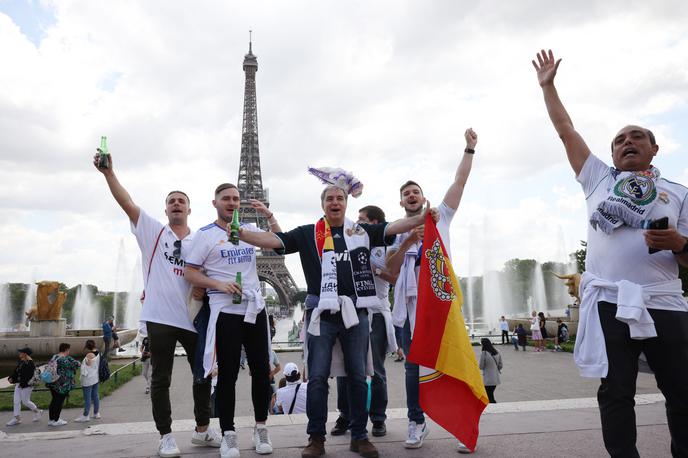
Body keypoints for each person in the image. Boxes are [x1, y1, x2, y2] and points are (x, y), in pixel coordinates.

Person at [534, 48, 688, 457]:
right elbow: (566, 130)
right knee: (616, 392)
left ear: (654, 148)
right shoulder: (598, 180)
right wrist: (549, 87)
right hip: (610, 303)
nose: (627, 142)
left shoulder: (679, 194)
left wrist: (679, 244)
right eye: (619, 139)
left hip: (666, 302)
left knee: (683, 391)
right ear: (613, 153)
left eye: (636, 136)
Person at [238, 169, 431, 458]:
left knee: (357, 376)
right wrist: (238, 232)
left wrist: (423, 218)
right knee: (316, 378)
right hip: (321, 311)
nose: (335, 202)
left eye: (340, 197)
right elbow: (274, 242)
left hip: (355, 311)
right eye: (330, 198)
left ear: (346, 203)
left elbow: (394, 227)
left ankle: (359, 435)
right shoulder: (307, 234)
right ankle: (316, 438)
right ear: (323, 204)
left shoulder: (362, 232)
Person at [94, 152, 219, 457]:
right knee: (161, 379)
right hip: (160, 317)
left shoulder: (201, 239)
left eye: (181, 201)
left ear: (189, 209)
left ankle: (202, 429)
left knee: (203, 374)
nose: (176, 204)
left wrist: (202, 289)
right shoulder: (153, 232)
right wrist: (109, 174)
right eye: (171, 201)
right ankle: (165, 435)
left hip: (192, 317)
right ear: (166, 209)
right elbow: (127, 203)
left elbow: (214, 274)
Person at [386, 128, 477, 453]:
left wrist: (468, 150)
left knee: (455, 361)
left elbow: (459, 183)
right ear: (401, 201)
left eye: (415, 192)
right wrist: (409, 240)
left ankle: (462, 425)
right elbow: (391, 272)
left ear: (423, 197)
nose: (411, 195)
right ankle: (417, 421)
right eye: (406, 193)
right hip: (412, 305)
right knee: (413, 366)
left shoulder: (441, 217)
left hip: (440, 301)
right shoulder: (396, 233)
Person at [185, 182, 280, 458]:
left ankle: (260, 427)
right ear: (215, 203)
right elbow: (190, 273)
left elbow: (280, 242)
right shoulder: (205, 235)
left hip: (254, 308)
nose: (232, 202)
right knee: (226, 376)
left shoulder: (249, 231)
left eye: (236, 199)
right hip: (225, 310)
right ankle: (228, 433)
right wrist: (218, 284)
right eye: (226, 198)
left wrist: (270, 216)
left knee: (262, 372)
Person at [332, 205, 398, 439]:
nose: (357, 224)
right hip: (352, 311)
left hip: (376, 313)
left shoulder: (386, 248)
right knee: (344, 369)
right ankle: (346, 414)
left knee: (377, 370)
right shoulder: (350, 245)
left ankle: (378, 418)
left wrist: (375, 270)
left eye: (362, 221)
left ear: (376, 223)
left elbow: (395, 277)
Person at [5, 347, 41, 426]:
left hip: (27, 385)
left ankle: (37, 411)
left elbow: (28, 377)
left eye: (21, 352)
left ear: (25, 354)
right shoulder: (21, 361)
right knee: (16, 401)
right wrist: (11, 378)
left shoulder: (30, 364)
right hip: (19, 384)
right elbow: (16, 371)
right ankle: (16, 418)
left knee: (25, 401)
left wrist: (22, 385)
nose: (19, 353)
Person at [46, 343, 80, 427]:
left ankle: (51, 419)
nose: (69, 351)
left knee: (54, 401)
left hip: (52, 383)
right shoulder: (64, 360)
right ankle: (56, 420)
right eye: (69, 350)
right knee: (59, 402)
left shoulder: (55, 357)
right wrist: (77, 362)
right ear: (66, 350)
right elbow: (77, 364)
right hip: (61, 385)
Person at [75, 339, 101, 422]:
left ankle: (86, 415)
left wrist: (85, 360)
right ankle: (96, 413)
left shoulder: (89, 354)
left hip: (88, 378)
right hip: (95, 377)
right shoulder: (98, 352)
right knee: (95, 395)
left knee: (87, 398)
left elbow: (88, 364)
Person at [478, 338, 502, 403]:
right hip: (495, 379)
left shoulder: (484, 353)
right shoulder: (497, 351)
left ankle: (494, 407)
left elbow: (481, 366)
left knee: (489, 396)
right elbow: (500, 365)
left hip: (488, 379)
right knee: (490, 395)